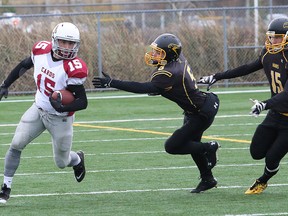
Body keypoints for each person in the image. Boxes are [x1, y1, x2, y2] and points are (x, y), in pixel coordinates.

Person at [92, 33, 220, 193]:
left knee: (172, 146)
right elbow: (172, 86)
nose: (154, 54)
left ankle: (210, 147)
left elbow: (142, 88)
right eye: (155, 51)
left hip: (201, 112)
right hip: (199, 106)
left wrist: (112, 82)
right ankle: (208, 178)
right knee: (192, 144)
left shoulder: (168, 73)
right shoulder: (177, 59)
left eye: (159, 52)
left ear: (170, 54)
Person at [198, 17, 288, 194]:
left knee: (271, 158)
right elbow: (247, 67)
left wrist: (264, 104)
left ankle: (262, 181)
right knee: (256, 152)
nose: (272, 41)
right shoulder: (267, 53)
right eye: (270, 37)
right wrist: (217, 76)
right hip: (276, 114)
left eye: (277, 37)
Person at [0, 22, 88, 204]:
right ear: (55, 40)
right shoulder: (40, 51)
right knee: (16, 144)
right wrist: (5, 84)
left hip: (60, 119)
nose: (67, 47)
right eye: (64, 42)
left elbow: (82, 102)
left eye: (71, 44)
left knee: (61, 162)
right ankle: (5, 187)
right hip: (38, 109)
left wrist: (62, 108)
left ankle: (77, 158)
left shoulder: (73, 68)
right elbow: (23, 65)